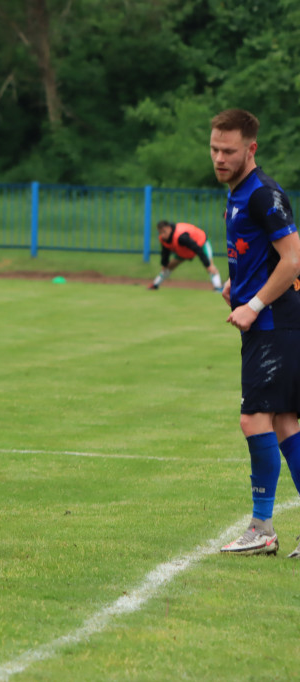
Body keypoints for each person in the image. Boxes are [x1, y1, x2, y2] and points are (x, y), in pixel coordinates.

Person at [210, 109, 300, 559]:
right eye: (214, 149)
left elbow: (292, 259)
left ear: (251, 149)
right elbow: (257, 253)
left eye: (229, 150)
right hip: (271, 321)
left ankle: (262, 527)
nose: (220, 158)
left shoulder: (264, 194)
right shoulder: (238, 193)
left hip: (274, 322)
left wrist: (254, 304)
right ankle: (264, 528)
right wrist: (238, 285)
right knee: (284, 422)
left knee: (255, 418)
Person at [149, 220, 223, 291]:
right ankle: (155, 285)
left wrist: (207, 264)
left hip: (201, 243)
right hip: (183, 250)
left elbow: (196, 248)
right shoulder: (163, 239)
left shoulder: (181, 237)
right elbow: (165, 252)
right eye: (160, 232)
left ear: (169, 228)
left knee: (210, 266)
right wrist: (164, 264)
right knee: (167, 267)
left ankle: (218, 287)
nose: (162, 235)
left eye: (164, 232)